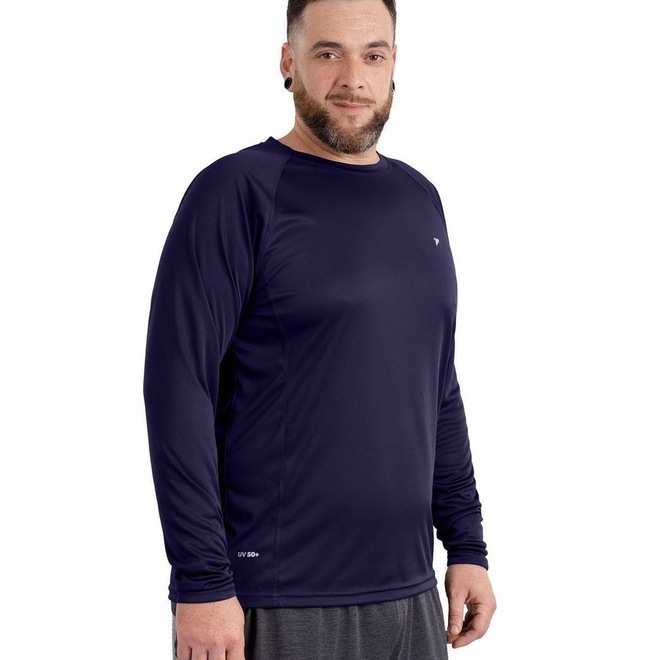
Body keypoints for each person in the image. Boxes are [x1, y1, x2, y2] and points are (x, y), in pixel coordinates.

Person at [143, 0, 496, 657]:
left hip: (410, 594)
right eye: (328, 53)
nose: (353, 79)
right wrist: (201, 580)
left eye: (373, 55)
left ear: (394, 65)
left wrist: (466, 543)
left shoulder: (420, 198)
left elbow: (435, 384)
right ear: (289, 62)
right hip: (275, 597)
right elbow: (178, 390)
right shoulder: (237, 192)